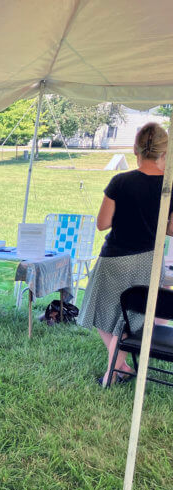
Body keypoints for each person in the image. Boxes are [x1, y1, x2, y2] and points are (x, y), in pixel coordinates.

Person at [78, 123, 173, 386]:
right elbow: (172, 229)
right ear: (165, 151)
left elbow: (102, 223)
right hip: (149, 262)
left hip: (115, 260)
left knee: (102, 315)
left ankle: (116, 370)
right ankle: (120, 367)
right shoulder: (169, 186)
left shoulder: (121, 182)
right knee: (133, 317)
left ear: (136, 149)